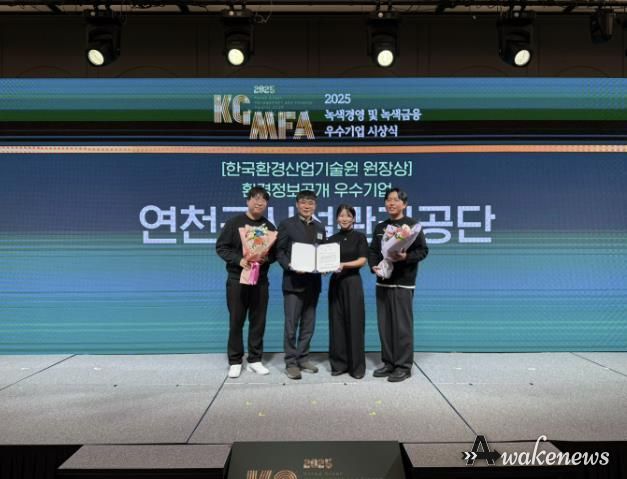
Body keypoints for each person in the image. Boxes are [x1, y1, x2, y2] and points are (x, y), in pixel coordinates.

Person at [368, 187, 429, 383]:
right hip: (383, 281)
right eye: (388, 200)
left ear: (404, 204)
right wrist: (374, 266)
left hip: (403, 282)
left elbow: (423, 251)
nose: (391, 203)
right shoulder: (380, 227)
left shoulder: (412, 226)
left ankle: (403, 366)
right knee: (385, 325)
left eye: (395, 200)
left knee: (402, 326)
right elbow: (373, 251)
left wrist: (405, 257)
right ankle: (389, 362)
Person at [216, 186, 276, 378]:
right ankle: (235, 361)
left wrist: (265, 259)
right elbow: (221, 248)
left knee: (258, 321)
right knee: (236, 321)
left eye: (263, 200)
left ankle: (255, 360)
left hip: (260, 281)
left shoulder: (269, 227)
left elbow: (275, 253)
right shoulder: (234, 223)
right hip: (237, 280)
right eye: (256, 198)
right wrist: (239, 260)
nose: (259, 202)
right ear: (248, 201)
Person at [276, 190, 327, 380]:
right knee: (291, 326)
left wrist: (325, 266)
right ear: (297, 204)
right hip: (293, 283)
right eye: (304, 202)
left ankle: (303, 357)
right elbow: (279, 251)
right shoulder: (287, 224)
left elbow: (323, 251)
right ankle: (291, 362)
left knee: (308, 325)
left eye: (311, 203)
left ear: (315, 206)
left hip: (313, 283)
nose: (307, 206)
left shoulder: (320, 227)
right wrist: (289, 265)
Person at [327, 204, 368, 379]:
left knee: (355, 323)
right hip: (336, 283)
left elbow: (362, 260)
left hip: (353, 283)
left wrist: (343, 265)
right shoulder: (331, 239)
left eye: (348, 216)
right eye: (341, 215)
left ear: (353, 219)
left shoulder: (359, 237)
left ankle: (356, 367)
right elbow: (325, 261)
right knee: (336, 323)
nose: (344, 219)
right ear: (337, 218)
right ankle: (339, 364)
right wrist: (322, 268)